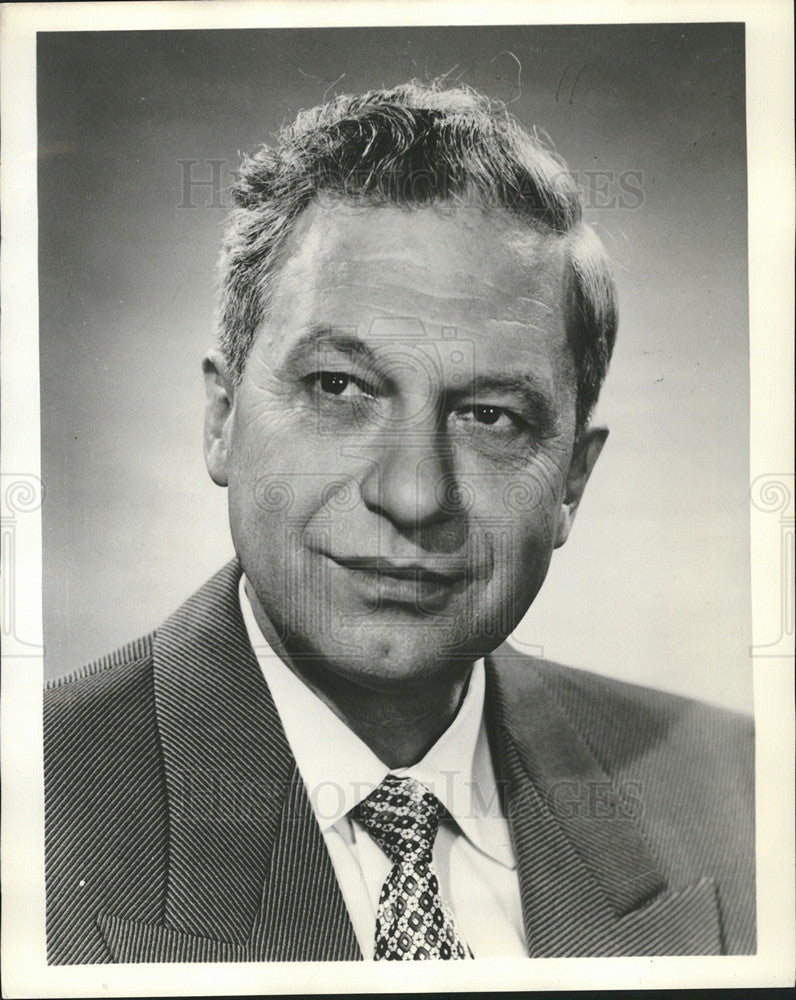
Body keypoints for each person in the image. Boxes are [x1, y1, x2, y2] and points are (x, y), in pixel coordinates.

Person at [44, 80, 755, 964]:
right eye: (339, 388)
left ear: (572, 479)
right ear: (222, 419)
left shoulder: (744, 792)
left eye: (490, 415)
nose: (415, 494)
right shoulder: (37, 809)